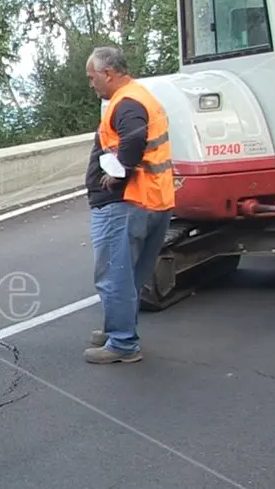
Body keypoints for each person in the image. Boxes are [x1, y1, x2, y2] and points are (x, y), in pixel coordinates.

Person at [82, 46, 176, 364]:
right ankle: (117, 328)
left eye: (92, 77)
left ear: (108, 73)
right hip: (156, 198)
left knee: (114, 276)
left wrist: (118, 175)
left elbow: (133, 139)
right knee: (131, 276)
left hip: (129, 201)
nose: (91, 83)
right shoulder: (140, 96)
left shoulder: (127, 104)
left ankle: (122, 343)